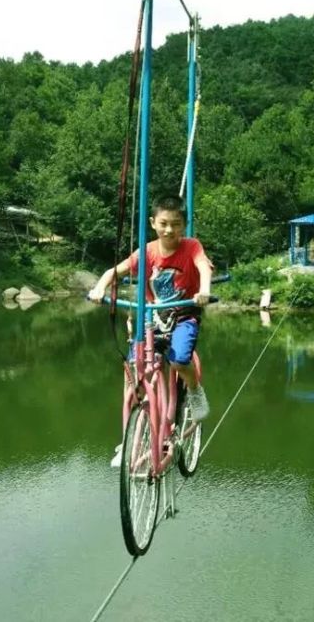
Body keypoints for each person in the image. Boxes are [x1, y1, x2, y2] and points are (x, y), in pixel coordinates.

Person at [89, 196, 213, 465]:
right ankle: (129, 442)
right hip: (153, 319)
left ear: (184, 225)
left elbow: (203, 267)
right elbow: (115, 271)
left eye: (176, 224)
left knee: (179, 359)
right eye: (164, 224)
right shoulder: (146, 252)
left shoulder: (191, 247)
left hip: (183, 315)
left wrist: (204, 290)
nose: (169, 230)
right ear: (153, 223)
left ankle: (194, 390)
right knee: (135, 375)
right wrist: (100, 287)